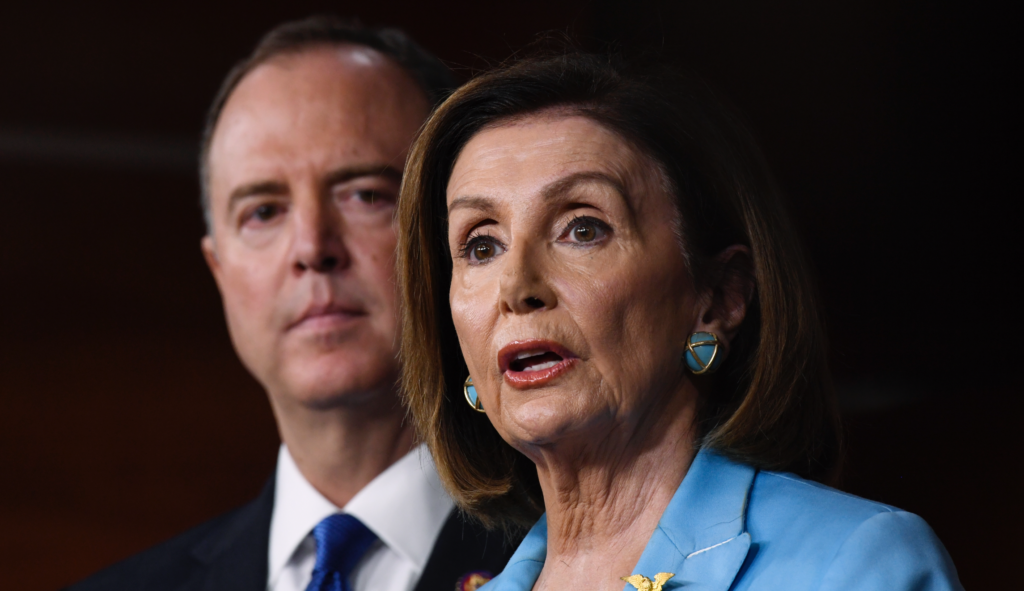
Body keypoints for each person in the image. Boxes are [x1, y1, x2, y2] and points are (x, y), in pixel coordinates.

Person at [396, 49, 964, 591]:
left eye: (583, 228)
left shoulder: (856, 566)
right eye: (480, 245)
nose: (517, 288)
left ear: (717, 299)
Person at [69, 16, 515, 591]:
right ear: (220, 271)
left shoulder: (591, 561)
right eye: (263, 211)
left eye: (365, 194)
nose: (311, 247)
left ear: (456, 234)